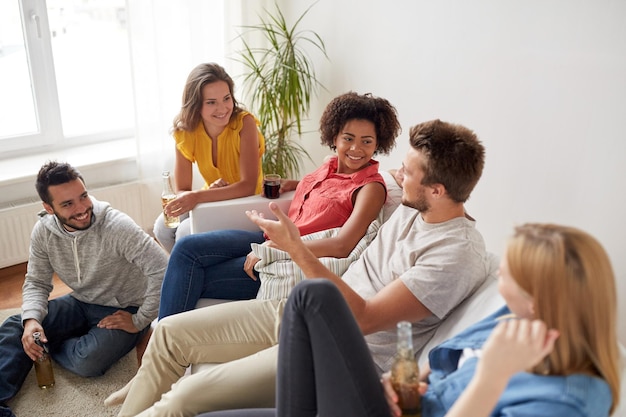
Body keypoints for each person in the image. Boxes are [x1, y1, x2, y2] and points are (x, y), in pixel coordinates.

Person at [111, 118, 488, 417]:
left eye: (407, 172)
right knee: (170, 333)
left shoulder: (453, 254)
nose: (398, 175)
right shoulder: (416, 207)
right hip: (300, 315)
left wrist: (296, 248)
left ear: (438, 190)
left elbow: (364, 320)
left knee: (185, 399)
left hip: (337, 350)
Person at [199, 223, 621, 417]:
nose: (497, 274)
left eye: (508, 272)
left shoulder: (569, 399)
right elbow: (440, 372)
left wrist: (491, 377)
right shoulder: (514, 321)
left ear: (539, 295)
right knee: (314, 295)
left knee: (315, 296)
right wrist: (407, 390)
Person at [155, 91, 400, 319]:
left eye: (367, 142)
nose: (356, 148)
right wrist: (293, 184)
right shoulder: (330, 166)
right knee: (187, 246)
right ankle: (164, 340)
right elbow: (328, 192)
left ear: (378, 144)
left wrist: (282, 247)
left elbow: (342, 246)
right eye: (348, 138)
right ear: (335, 136)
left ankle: (164, 342)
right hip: (272, 238)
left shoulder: (370, 188)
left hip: (288, 259)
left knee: (191, 274)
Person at [0, 161, 168, 417]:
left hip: (125, 307)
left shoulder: (116, 226)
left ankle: (48, 343)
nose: (81, 208)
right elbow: (36, 281)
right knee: (17, 325)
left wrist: (139, 319)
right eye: (67, 204)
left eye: (83, 196)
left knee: (87, 360)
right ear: (48, 208)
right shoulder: (43, 232)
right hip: (81, 301)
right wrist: (33, 320)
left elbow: (164, 269)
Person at [153, 62, 266, 253]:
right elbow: (182, 189)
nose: (222, 108)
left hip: (247, 203)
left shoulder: (245, 124)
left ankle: (194, 274)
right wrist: (203, 196)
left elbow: (247, 186)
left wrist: (200, 196)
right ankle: (192, 273)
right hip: (211, 199)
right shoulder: (186, 131)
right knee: (162, 229)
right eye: (211, 102)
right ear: (196, 105)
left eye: (226, 98)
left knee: (185, 232)